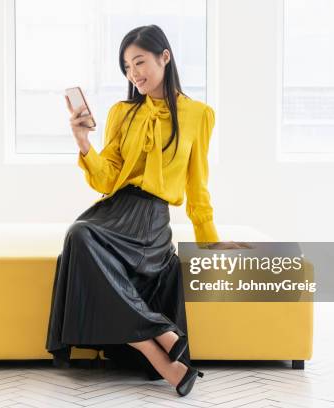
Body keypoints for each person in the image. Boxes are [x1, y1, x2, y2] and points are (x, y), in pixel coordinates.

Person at [45, 24, 219, 397]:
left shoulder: (199, 115)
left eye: (139, 62)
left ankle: (160, 351)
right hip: (114, 212)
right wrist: (82, 141)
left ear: (164, 57)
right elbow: (108, 178)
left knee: (78, 239)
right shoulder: (122, 113)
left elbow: (197, 187)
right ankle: (162, 344)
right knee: (78, 237)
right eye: (126, 67)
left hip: (152, 221)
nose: (133, 74)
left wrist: (211, 245)